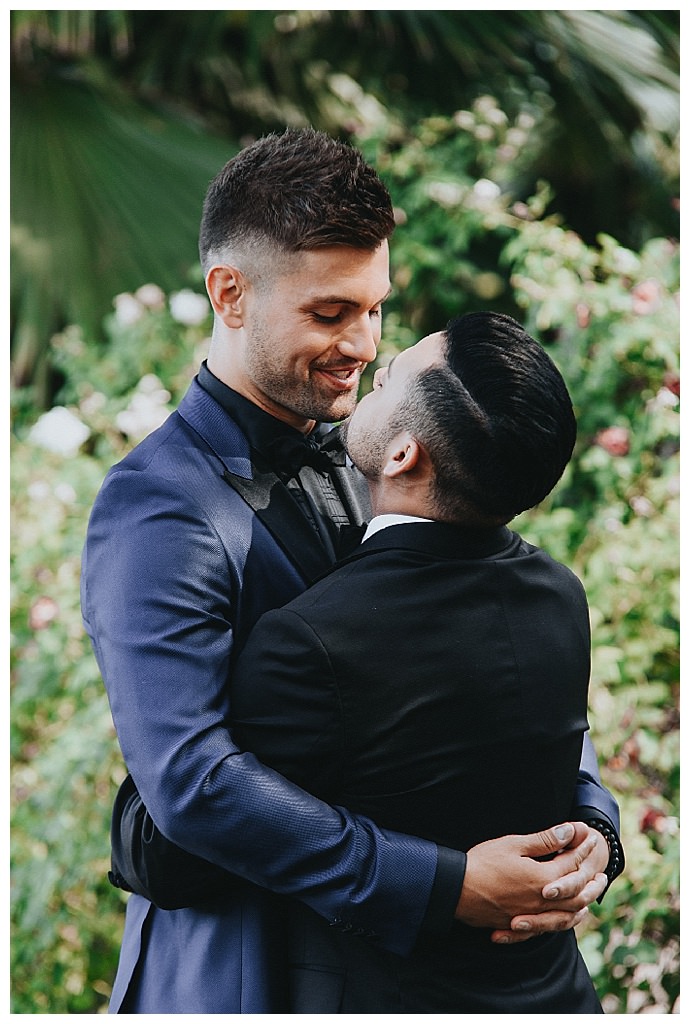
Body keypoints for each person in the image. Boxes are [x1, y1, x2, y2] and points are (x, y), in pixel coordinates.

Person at [81, 128, 622, 1014]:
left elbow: (495, 637)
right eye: (331, 314)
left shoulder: (386, 448)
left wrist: (588, 817)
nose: (363, 344)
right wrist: (443, 883)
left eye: (374, 309)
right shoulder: (158, 506)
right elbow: (193, 787)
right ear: (230, 295)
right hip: (250, 971)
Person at [228, 311, 612, 1011]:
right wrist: (601, 831)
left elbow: (208, 847)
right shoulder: (561, 595)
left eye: (393, 376)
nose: (376, 367)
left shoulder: (312, 641)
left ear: (405, 454)